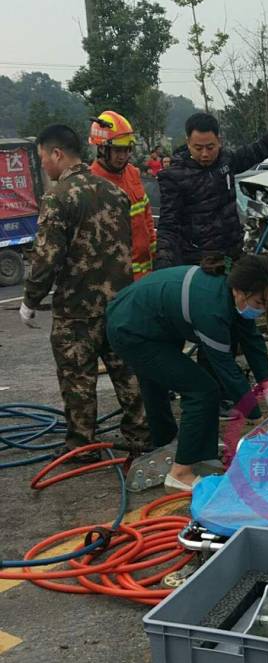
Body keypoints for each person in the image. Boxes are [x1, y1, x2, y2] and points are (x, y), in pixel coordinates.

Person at [107, 254, 268, 492]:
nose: (263, 309)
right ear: (240, 291)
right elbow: (225, 368)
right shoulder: (211, 309)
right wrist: (257, 418)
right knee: (202, 389)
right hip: (130, 329)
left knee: (160, 385)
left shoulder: (234, 294)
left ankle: (181, 449)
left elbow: (252, 339)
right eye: (260, 303)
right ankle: (180, 473)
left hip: (154, 323)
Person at [19, 124, 150, 456]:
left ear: (57, 154)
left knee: (78, 379)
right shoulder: (115, 193)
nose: (44, 165)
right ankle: (142, 436)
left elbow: (47, 258)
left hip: (77, 309)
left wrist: (30, 299)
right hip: (119, 303)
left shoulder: (59, 197)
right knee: (128, 373)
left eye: (44, 158)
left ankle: (82, 446)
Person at [155, 93, 268, 269]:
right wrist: (164, 268)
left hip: (232, 257)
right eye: (198, 148)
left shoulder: (226, 161)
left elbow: (261, 147)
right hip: (199, 264)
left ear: (219, 140)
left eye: (210, 147)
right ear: (188, 143)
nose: (205, 154)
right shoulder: (174, 176)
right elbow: (168, 228)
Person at [88, 110, 157, 280]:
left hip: (146, 271)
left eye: (127, 150)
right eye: (118, 150)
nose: (123, 156)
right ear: (102, 148)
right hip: (116, 277)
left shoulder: (132, 173)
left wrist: (156, 253)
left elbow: (146, 215)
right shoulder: (91, 182)